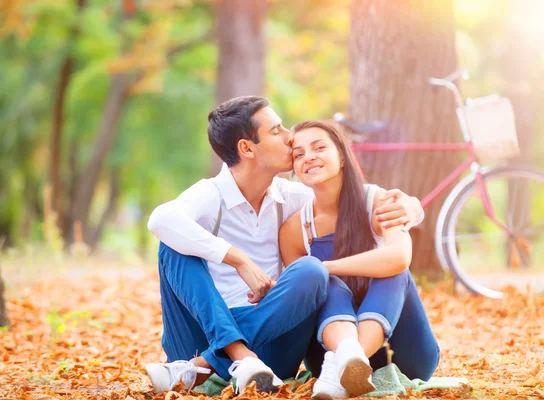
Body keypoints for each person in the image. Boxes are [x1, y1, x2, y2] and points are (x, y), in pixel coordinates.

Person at [143, 96, 426, 394]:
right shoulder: (210, 195)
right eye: (277, 130)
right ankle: (237, 358)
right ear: (247, 148)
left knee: (311, 271)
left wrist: (412, 207)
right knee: (172, 246)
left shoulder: (292, 198)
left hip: (271, 344)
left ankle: (208, 366)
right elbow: (160, 219)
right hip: (200, 333)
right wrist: (237, 258)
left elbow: (351, 197)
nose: (290, 137)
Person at [279, 120, 439, 399]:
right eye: (299, 154)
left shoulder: (379, 202)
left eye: (319, 147)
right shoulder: (295, 229)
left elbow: (399, 257)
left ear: (342, 155)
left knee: (393, 272)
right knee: (323, 282)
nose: (309, 157)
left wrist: (326, 267)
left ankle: (349, 358)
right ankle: (345, 358)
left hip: (402, 354)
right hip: (326, 355)